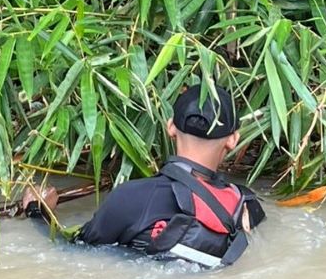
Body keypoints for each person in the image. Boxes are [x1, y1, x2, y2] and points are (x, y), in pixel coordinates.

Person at [22, 83, 266, 268]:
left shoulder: (132, 198)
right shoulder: (247, 206)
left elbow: (71, 250)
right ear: (233, 139)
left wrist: (37, 211)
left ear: (170, 127)